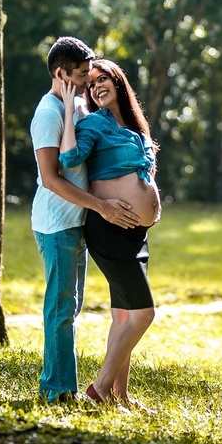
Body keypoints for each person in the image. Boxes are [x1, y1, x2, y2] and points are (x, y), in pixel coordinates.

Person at [30, 37, 139, 404]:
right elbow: (51, 177)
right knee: (61, 308)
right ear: (61, 73)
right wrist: (100, 206)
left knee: (70, 306)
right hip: (57, 223)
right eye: (79, 74)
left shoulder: (78, 103)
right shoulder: (47, 114)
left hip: (78, 222)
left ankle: (62, 385)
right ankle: (57, 390)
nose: (86, 80)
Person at [58, 58, 161, 410]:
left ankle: (120, 395)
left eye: (104, 79)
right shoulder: (94, 124)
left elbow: (143, 173)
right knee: (143, 314)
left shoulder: (137, 127)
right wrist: (73, 114)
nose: (97, 86)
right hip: (109, 227)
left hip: (136, 235)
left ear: (118, 82)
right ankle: (99, 389)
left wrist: (152, 207)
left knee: (122, 315)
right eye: (92, 83)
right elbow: (70, 158)